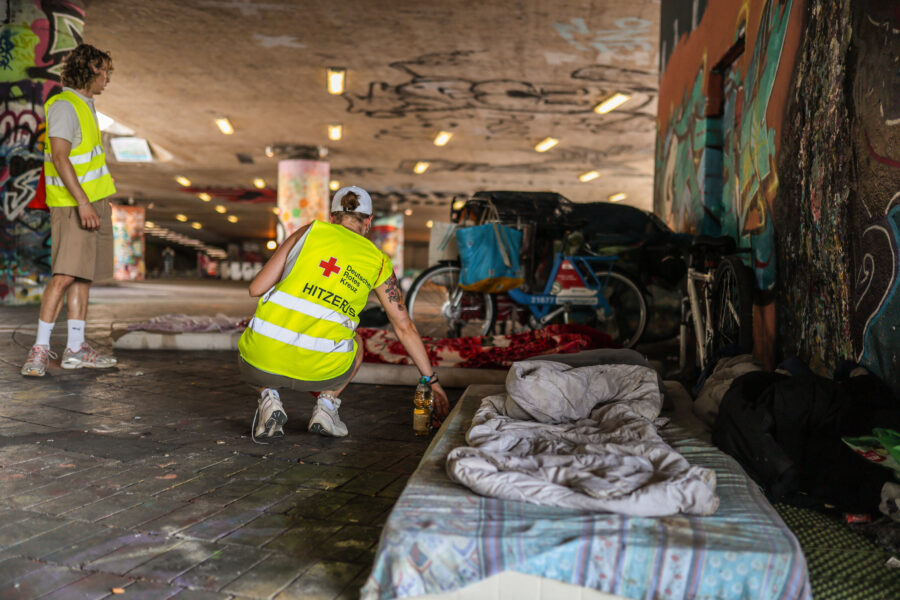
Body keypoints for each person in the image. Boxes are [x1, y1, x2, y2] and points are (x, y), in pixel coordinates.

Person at [238, 186, 449, 440]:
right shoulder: (378, 261)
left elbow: (256, 288)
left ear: (332, 217)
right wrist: (431, 381)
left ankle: (269, 398)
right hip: (324, 371)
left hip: (261, 364)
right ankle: (326, 408)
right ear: (368, 221)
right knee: (356, 341)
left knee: (257, 334)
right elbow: (404, 326)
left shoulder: (310, 231)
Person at [21, 43, 117, 377]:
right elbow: (60, 157)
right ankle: (39, 350)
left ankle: (75, 348)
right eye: (104, 70)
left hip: (92, 202)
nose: (107, 77)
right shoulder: (64, 105)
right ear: (91, 69)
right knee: (63, 275)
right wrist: (84, 202)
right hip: (73, 204)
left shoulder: (85, 105)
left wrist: (97, 201)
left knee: (82, 275)